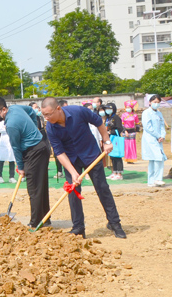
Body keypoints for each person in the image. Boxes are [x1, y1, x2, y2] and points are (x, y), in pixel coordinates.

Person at [40, 98, 126, 239]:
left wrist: (107, 141)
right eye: (44, 115)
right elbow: (59, 152)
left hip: (91, 154)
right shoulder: (50, 127)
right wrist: (73, 173)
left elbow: (99, 123)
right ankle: (78, 228)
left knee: (102, 188)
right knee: (73, 193)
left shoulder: (78, 111)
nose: (47, 118)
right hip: (71, 160)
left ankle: (115, 223)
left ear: (58, 109)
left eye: (49, 114)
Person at [0, 97, 50, 228]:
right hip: (42, 146)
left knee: (34, 189)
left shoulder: (11, 124)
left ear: (3, 109)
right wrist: (35, 127)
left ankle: (35, 222)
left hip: (34, 152)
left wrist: (20, 167)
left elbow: (15, 147)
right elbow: (32, 112)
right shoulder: (15, 107)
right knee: (41, 186)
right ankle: (45, 218)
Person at [142, 95, 167, 187]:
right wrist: (157, 135)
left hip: (158, 139)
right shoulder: (146, 113)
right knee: (157, 157)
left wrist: (162, 136)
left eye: (158, 102)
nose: (156, 104)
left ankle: (151, 181)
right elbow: (147, 127)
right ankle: (157, 179)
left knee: (154, 159)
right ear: (150, 102)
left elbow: (162, 126)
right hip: (150, 138)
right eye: (154, 102)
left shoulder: (159, 114)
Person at [103, 102, 125, 180]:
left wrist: (110, 132)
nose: (107, 110)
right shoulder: (108, 118)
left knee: (117, 156)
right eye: (106, 109)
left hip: (115, 138)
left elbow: (120, 128)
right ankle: (114, 172)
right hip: (109, 138)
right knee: (112, 156)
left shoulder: (116, 117)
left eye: (109, 109)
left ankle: (119, 173)